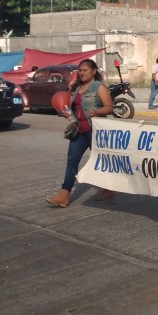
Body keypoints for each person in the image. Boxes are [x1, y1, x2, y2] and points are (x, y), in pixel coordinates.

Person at [46, 59, 114, 207]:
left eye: (85, 70)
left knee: (102, 161)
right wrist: (66, 113)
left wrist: (97, 111)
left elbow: (109, 107)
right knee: (72, 162)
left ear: (94, 71)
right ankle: (64, 195)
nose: (82, 73)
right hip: (78, 131)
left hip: (94, 130)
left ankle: (109, 188)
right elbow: (73, 107)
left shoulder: (99, 87)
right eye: (80, 70)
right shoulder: (77, 88)